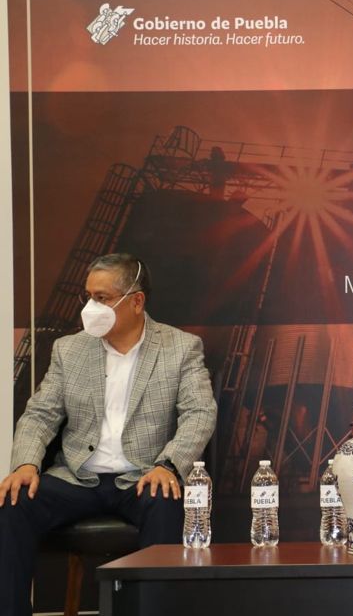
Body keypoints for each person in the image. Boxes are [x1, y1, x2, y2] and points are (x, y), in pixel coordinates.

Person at [0, 254, 217, 616]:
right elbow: (40, 414)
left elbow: (200, 413)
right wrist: (25, 464)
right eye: (88, 296)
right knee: (14, 500)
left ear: (136, 301)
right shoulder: (70, 349)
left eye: (101, 298)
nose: (90, 307)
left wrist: (168, 465)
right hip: (76, 477)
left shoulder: (181, 348)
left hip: (143, 475)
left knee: (166, 501)